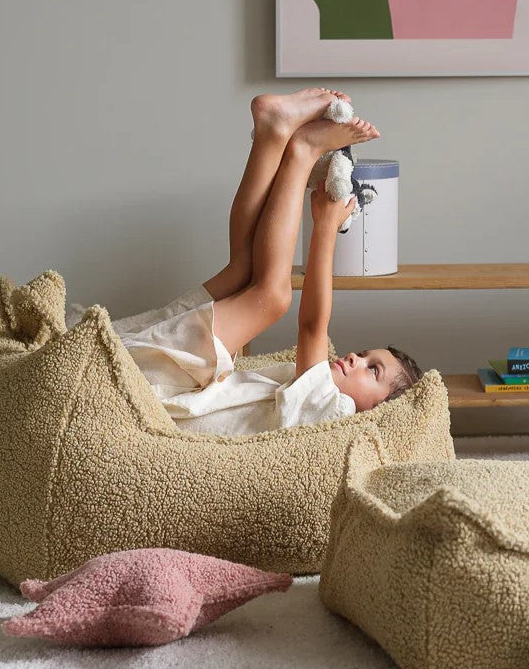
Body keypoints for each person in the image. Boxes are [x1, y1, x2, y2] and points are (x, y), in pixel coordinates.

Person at [95, 88, 422, 436]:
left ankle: (301, 149)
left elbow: (312, 326)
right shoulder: (322, 401)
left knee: (273, 297)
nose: (356, 359)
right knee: (243, 269)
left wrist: (325, 227)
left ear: (378, 411)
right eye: (365, 354)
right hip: (159, 374)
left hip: (151, 385)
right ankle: (272, 133)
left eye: (372, 370)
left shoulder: (336, 414)